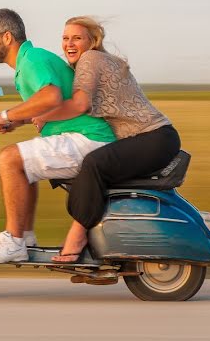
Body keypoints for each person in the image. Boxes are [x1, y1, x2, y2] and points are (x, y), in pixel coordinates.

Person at [32, 16, 181, 263]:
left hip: (153, 137)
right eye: (65, 38)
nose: (69, 43)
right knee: (88, 166)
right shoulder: (97, 62)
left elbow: (80, 104)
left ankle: (77, 237)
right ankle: (97, 244)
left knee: (93, 163)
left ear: (92, 41)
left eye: (77, 38)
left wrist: (44, 116)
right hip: (156, 138)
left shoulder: (91, 59)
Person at [0, 9, 115, 263]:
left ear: (7, 37)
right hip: (85, 136)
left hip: (87, 138)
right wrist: (18, 120)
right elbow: (49, 107)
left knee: (9, 159)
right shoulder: (30, 61)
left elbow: (51, 96)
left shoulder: (31, 61)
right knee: (23, 164)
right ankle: (24, 237)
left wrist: (5, 115)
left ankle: (14, 241)